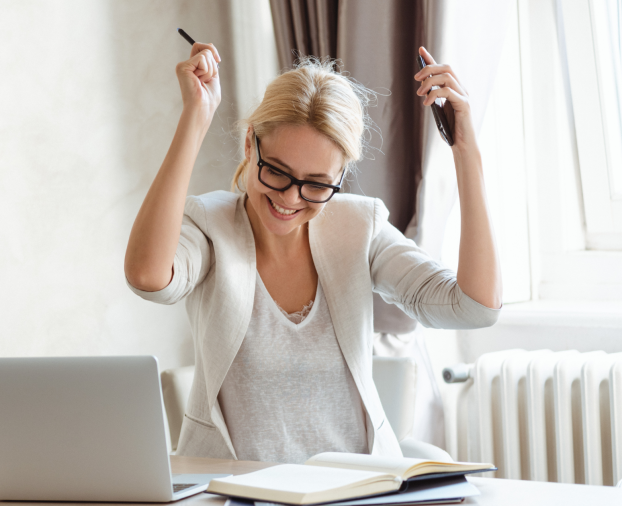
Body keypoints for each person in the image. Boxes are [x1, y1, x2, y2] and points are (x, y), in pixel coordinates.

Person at [124, 41, 501, 462]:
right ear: (250, 145)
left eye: (317, 184)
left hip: (351, 490)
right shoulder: (210, 225)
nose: (290, 197)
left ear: (341, 175)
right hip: (235, 491)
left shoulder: (359, 227)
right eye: (277, 172)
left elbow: (474, 307)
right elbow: (148, 277)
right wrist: (195, 119)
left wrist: (466, 152)